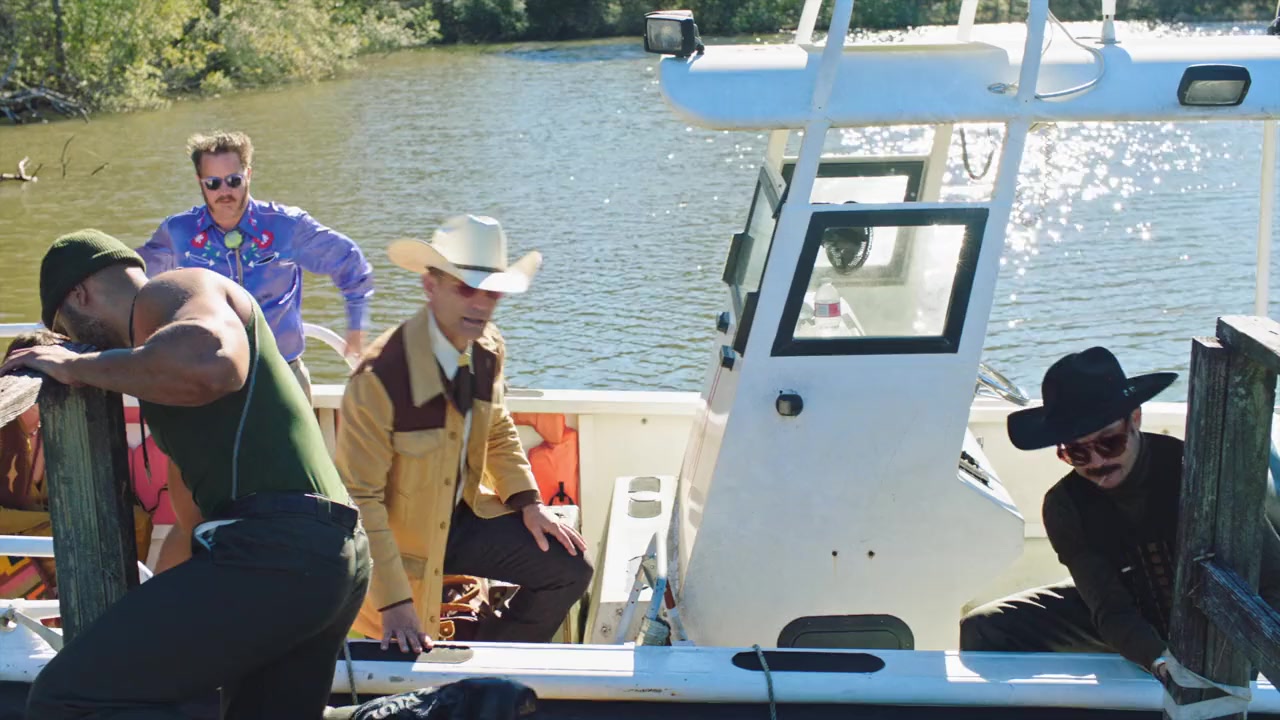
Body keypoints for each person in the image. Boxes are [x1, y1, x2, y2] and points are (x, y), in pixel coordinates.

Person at [2, 229, 371, 719]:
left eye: (66, 328)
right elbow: (190, 521)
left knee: (66, 698)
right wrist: (149, 613)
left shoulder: (173, 290)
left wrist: (75, 363)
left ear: (80, 295)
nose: (73, 342)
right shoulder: (163, 380)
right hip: (332, 558)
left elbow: (213, 363)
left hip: (280, 549)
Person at [336, 214, 592, 653]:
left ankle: (491, 666)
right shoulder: (379, 379)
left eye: (491, 291)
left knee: (571, 568)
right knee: (408, 649)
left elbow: (497, 429)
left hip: (463, 518)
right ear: (430, 286)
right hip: (402, 547)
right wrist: (394, 602)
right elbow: (362, 501)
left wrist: (530, 503)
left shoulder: (488, 347)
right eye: (464, 288)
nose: (480, 304)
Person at [959, 346, 1280, 679]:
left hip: (1214, 612)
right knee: (984, 628)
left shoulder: (1201, 476)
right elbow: (1109, 607)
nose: (1097, 462)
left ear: (1135, 419)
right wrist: (1159, 661)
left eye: (1109, 443)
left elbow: (1273, 580)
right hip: (1125, 605)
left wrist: (1244, 664)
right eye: (1077, 453)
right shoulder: (1063, 505)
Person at [136, 130, 375, 402]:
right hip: (207, 381)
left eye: (234, 181)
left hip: (281, 375)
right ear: (199, 182)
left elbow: (350, 262)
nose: (224, 192)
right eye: (213, 183)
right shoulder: (178, 232)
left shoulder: (287, 226)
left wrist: (356, 328)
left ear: (248, 174)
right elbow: (135, 277)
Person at [0, 330, 154, 601]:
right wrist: (58, 522)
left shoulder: (57, 423)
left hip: (44, 522)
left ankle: (125, 601)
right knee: (77, 539)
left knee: (136, 521)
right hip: (13, 529)